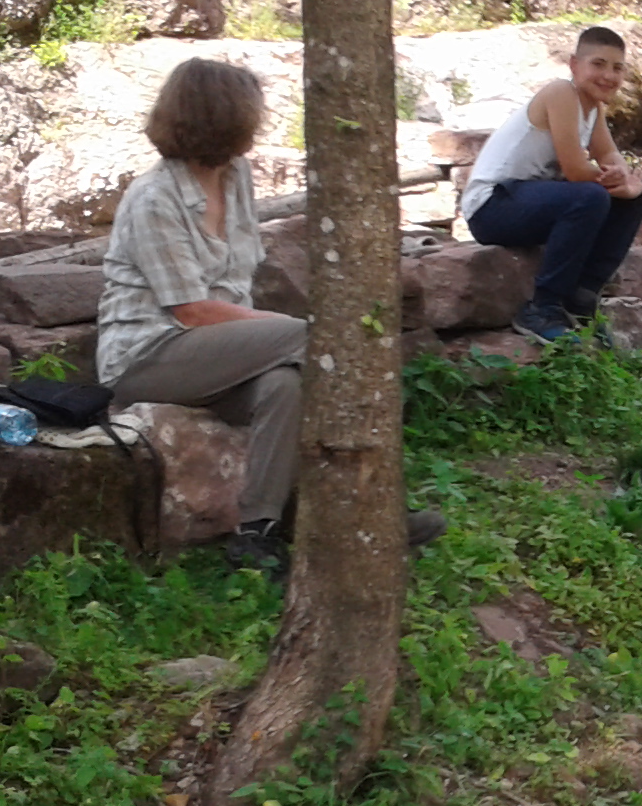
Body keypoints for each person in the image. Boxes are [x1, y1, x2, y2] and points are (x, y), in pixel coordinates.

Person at [96, 58, 441, 571]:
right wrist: (302, 331)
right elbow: (191, 310)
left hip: (215, 353)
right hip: (149, 354)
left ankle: (258, 531)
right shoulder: (154, 198)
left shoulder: (235, 177)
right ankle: (370, 506)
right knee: (321, 341)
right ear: (224, 117)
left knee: (285, 387)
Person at [461, 25, 642, 344]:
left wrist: (625, 178)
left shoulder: (593, 109)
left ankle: (580, 299)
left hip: (531, 203)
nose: (608, 76)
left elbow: (608, 154)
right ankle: (542, 308)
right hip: (492, 207)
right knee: (589, 196)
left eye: (617, 68)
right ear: (574, 65)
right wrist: (617, 179)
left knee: (637, 196)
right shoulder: (561, 93)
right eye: (598, 64)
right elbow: (576, 170)